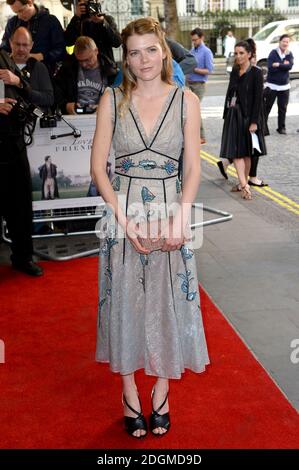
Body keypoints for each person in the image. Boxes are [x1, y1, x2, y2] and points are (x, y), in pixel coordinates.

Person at [91, 17, 209, 438]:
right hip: (123, 216)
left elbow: (192, 166)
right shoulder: (111, 100)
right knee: (124, 300)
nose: (143, 60)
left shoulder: (186, 101)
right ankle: (128, 391)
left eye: (150, 49)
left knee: (167, 303)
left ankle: (161, 389)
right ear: (126, 56)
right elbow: (99, 169)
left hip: (170, 212)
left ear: (163, 50)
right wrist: (122, 220)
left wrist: (181, 214)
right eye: (134, 52)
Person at [0, 47, 43, 276]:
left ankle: (23, 257)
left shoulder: (4, 55)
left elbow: (27, 91)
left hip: (14, 141)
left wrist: (18, 81)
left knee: (21, 204)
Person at [217, 38, 268, 188]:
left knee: (247, 153)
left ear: (249, 54)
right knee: (236, 151)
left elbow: (258, 99)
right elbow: (230, 93)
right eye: (236, 53)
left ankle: (243, 183)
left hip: (248, 117)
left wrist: (254, 122)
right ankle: (243, 183)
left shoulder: (256, 73)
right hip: (234, 115)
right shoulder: (234, 70)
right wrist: (226, 113)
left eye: (241, 53)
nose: (238, 56)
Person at [54, 36, 117, 115]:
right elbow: (56, 96)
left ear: (96, 51)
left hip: (103, 115)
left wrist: (106, 107)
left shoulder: (111, 71)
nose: (84, 64)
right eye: (80, 61)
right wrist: (65, 106)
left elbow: (119, 100)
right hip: (73, 117)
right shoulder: (66, 70)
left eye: (88, 59)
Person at [1, 0, 65, 75]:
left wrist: (41, 56)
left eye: (21, 11)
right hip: (16, 74)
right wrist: (10, 56)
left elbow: (61, 50)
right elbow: (3, 49)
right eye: (16, 12)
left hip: (44, 75)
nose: (19, 16)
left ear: (30, 2)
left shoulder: (50, 21)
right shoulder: (12, 23)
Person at [9, 26, 54, 111]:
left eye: (25, 45)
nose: (21, 49)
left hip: (34, 121)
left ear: (31, 45)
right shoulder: (3, 67)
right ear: (10, 43)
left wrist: (25, 89)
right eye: (17, 44)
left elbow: (49, 99)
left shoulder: (39, 67)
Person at [64, 0, 121, 65]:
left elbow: (117, 42)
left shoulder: (107, 20)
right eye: (86, 4)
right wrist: (76, 17)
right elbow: (68, 42)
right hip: (82, 65)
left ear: (97, 3)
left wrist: (102, 23)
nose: (89, 7)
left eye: (91, 3)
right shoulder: (78, 21)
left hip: (105, 66)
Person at [186, 28, 214, 145]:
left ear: (201, 38)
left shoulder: (206, 52)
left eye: (196, 40)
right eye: (192, 40)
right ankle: (191, 135)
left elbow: (209, 70)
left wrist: (195, 69)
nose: (194, 42)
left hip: (199, 85)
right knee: (187, 110)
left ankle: (201, 136)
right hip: (189, 83)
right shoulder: (192, 50)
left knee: (194, 110)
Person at [263, 34, 294, 135]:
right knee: (267, 107)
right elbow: (270, 67)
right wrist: (283, 65)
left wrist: (279, 64)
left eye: (287, 42)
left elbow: (289, 66)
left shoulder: (289, 54)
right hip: (272, 85)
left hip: (285, 86)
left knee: (283, 108)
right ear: (279, 42)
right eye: (283, 41)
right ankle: (263, 127)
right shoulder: (273, 53)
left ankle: (281, 127)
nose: (285, 43)